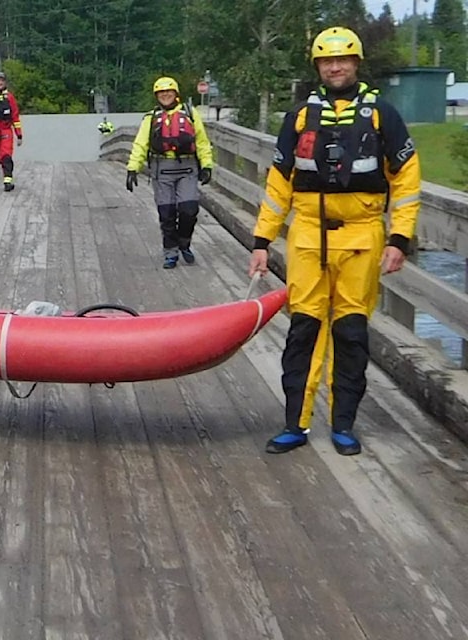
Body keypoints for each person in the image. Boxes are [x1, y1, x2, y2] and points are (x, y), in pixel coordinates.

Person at [248, 27, 420, 456]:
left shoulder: (382, 115)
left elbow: (407, 179)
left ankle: (342, 423)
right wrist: (262, 239)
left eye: (343, 59)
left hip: (363, 238)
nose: (335, 66)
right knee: (303, 330)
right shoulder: (300, 118)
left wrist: (400, 236)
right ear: (318, 67)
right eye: (327, 61)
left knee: (351, 333)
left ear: (357, 63)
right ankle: (296, 423)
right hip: (308, 236)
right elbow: (278, 184)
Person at [125, 76, 214, 269]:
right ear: (156, 95)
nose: (165, 95)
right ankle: (171, 252)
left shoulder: (190, 113)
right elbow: (141, 144)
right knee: (167, 213)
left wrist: (206, 165)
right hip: (162, 168)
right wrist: (133, 168)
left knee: (189, 210)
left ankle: (184, 242)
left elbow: (201, 141)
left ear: (176, 94)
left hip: (188, 167)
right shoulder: (151, 118)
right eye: (161, 92)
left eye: (169, 91)